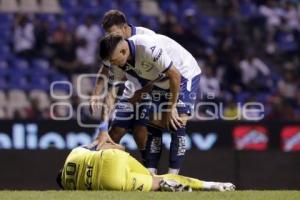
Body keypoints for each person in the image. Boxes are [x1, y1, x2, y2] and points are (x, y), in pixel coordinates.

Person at [98, 32, 201, 175]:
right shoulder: (117, 61)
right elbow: (111, 94)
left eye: (113, 60)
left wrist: (171, 108)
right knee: (153, 126)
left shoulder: (147, 48)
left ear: (123, 51)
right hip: (160, 79)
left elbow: (175, 75)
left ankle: (172, 178)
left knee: (177, 123)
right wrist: (103, 129)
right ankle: (151, 174)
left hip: (183, 73)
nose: (112, 64)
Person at [56, 124, 235, 192]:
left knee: (157, 182)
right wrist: (118, 147)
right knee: (154, 177)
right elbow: (108, 145)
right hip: (111, 158)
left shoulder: (72, 188)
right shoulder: (74, 154)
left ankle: (211, 187)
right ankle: (213, 185)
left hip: (110, 182)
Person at [90, 10, 156, 166]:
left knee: (140, 129)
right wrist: (95, 95)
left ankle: (150, 168)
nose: (111, 37)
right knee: (114, 132)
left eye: (113, 33)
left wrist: (141, 94)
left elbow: (161, 73)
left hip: (152, 88)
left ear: (125, 27)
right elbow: (105, 72)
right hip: (131, 88)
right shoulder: (113, 45)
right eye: (108, 34)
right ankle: (106, 170)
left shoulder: (147, 39)